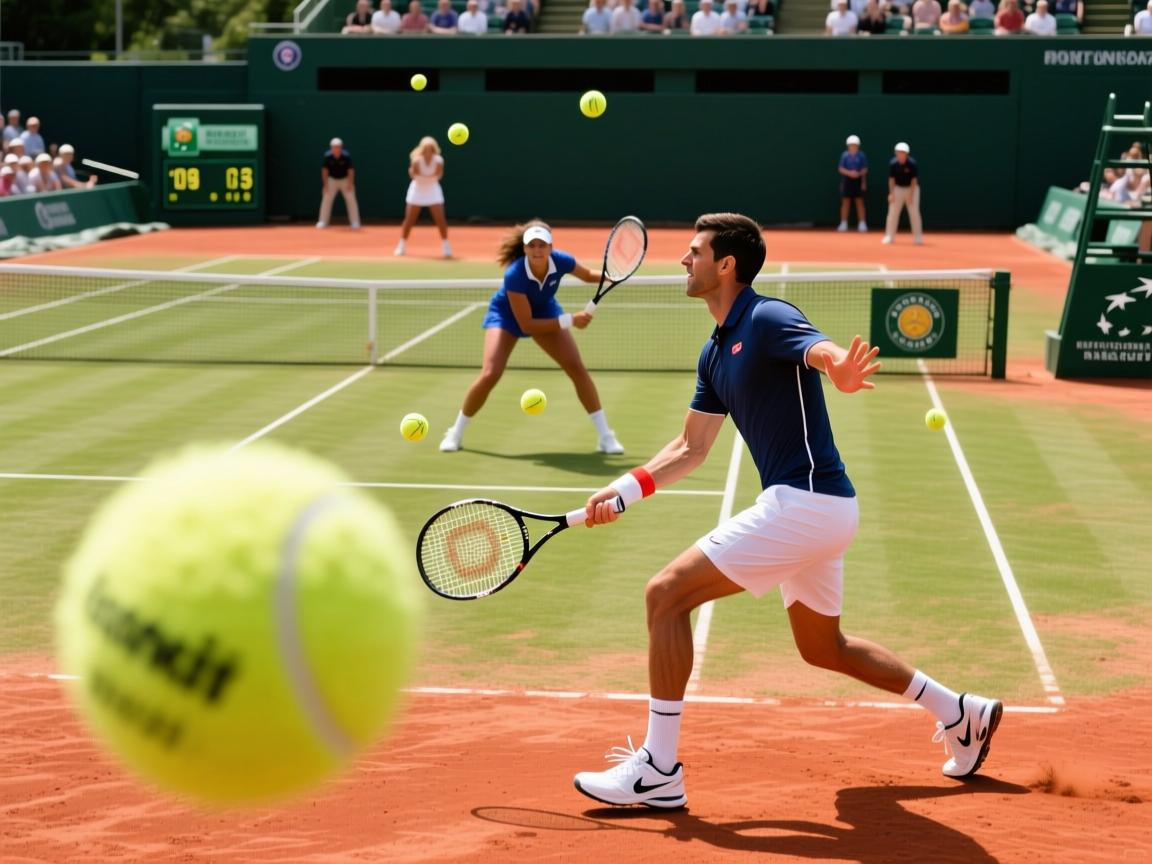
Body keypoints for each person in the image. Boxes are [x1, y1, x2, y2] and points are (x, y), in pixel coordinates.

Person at [570, 212, 1003, 809]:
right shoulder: (714, 352)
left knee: (665, 595)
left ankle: (658, 769)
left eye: (695, 252)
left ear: (726, 264)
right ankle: (959, 711)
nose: (684, 260)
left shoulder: (766, 316)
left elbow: (818, 348)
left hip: (805, 503)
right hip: (820, 509)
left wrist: (837, 366)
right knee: (823, 647)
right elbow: (691, 447)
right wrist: (624, 489)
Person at [439, 221, 625, 455]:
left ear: (551, 247)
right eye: (532, 245)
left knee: (576, 367)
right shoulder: (515, 275)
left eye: (542, 245)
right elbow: (526, 325)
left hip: (544, 309)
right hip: (506, 316)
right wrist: (570, 320)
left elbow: (587, 275)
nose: (537, 250)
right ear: (525, 248)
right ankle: (455, 432)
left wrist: (611, 277)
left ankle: (606, 437)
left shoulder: (562, 260)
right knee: (490, 374)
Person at [395, 136, 451, 258]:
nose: (428, 150)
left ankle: (446, 245)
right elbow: (414, 175)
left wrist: (425, 178)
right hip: (417, 190)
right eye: (425, 148)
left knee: (440, 219)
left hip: (433, 190)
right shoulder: (416, 160)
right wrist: (426, 178)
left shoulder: (439, 160)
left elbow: (438, 175)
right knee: (409, 220)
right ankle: (402, 244)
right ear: (422, 148)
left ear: (433, 148)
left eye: (430, 148)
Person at [316, 137, 361, 230]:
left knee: (351, 201)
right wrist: (325, 184)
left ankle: (355, 222)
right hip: (331, 180)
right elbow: (324, 171)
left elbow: (350, 171)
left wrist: (350, 183)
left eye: (338, 147)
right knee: (326, 200)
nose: (336, 149)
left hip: (345, 180)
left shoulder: (346, 156)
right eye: (334, 147)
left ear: (341, 147)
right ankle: (323, 222)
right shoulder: (327, 156)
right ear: (331, 148)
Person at [883, 141, 923, 245]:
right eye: (899, 152)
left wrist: (911, 195)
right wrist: (891, 193)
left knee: (914, 214)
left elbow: (914, 181)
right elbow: (891, 180)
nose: (901, 154)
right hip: (898, 189)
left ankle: (918, 238)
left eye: (903, 152)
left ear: (907, 154)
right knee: (892, 213)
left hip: (912, 189)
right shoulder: (893, 164)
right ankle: (889, 236)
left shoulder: (912, 164)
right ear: (896, 153)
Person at [837, 135, 869, 232]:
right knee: (845, 202)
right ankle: (843, 223)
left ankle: (862, 223)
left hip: (858, 181)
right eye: (851, 145)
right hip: (847, 181)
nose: (853, 146)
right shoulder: (844, 155)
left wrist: (860, 177)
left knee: (859, 202)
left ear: (858, 146)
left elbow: (865, 169)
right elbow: (840, 168)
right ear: (848, 146)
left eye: (855, 145)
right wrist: (850, 173)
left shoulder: (861, 155)